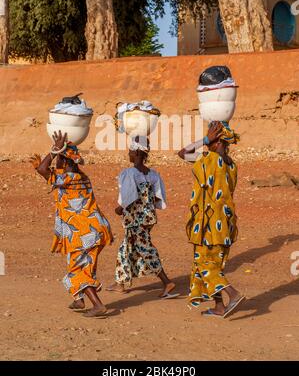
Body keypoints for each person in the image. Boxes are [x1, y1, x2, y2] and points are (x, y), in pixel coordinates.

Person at [30, 131, 113, 318]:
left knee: (77, 270)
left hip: (82, 232)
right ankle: (79, 299)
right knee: (85, 266)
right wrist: (59, 152)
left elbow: (43, 169)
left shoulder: (67, 179)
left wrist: (53, 151)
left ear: (65, 162)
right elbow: (48, 170)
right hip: (95, 230)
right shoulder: (81, 176)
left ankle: (98, 305)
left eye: (59, 159)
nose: (56, 163)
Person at [107, 136, 179, 299]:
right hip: (148, 219)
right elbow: (159, 199)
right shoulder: (153, 175)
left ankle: (167, 282)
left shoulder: (129, 173)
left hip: (135, 220)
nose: (129, 153)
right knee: (125, 248)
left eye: (131, 151)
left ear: (138, 153)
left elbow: (127, 198)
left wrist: (119, 209)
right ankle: (120, 282)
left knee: (145, 249)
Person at [185, 122, 245, 318]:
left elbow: (183, 153)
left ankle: (233, 294)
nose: (207, 145)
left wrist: (204, 141)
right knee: (214, 266)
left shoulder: (208, 160)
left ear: (217, 141)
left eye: (211, 139)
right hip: (226, 223)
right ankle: (219, 307)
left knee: (204, 264)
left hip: (208, 224)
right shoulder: (232, 165)